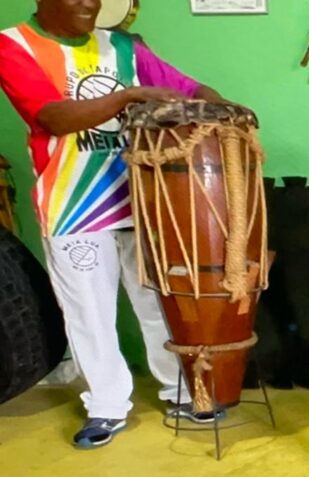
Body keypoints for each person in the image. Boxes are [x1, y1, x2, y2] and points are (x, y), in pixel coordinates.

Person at [0, 0, 226, 449]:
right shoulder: (12, 45)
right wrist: (129, 96)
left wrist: (224, 111)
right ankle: (106, 406)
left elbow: (192, 88)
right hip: (74, 209)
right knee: (89, 312)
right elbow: (52, 117)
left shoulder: (124, 46)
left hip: (144, 201)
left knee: (158, 304)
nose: (90, 2)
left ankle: (181, 392)